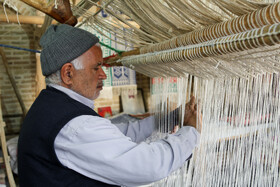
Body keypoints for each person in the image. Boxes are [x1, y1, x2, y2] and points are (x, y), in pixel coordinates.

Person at [18, 24, 200, 187]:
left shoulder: (52, 106)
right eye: (96, 67)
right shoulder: (75, 126)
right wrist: (191, 132)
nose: (103, 75)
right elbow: (148, 165)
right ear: (68, 73)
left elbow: (116, 134)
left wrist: (171, 118)